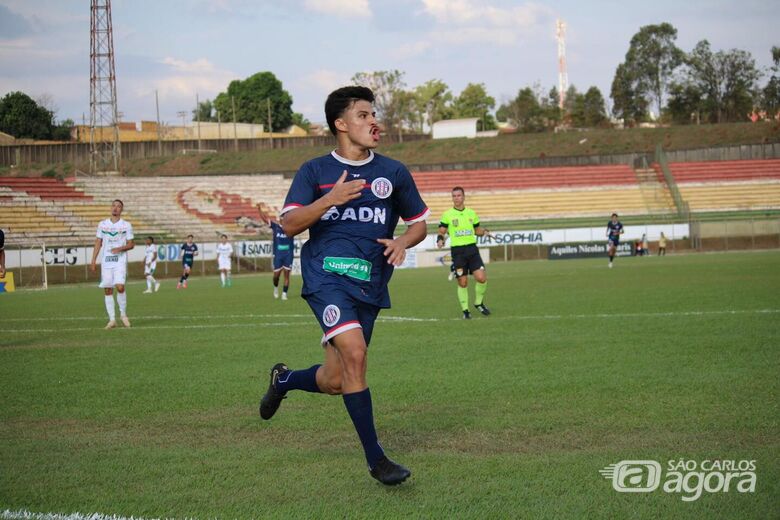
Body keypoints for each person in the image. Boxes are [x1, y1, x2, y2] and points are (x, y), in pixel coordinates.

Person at [259, 86, 429, 486]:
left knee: (337, 380)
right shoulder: (315, 172)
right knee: (355, 353)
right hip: (326, 276)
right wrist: (330, 199)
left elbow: (418, 222)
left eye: (374, 115)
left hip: (369, 284)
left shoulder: (393, 172)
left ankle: (284, 380)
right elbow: (289, 224)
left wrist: (403, 241)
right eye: (364, 115)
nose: (375, 122)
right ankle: (377, 461)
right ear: (341, 124)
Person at [437, 187, 491, 319]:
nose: (456, 198)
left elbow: (476, 230)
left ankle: (478, 303)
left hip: (472, 250)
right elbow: (442, 231)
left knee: (481, 278)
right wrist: (440, 240)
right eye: (454, 196)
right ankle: (466, 311)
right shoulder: (448, 214)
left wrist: (484, 232)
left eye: (459, 195)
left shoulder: (471, 213)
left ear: (464, 197)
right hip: (458, 252)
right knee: (463, 282)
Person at [90, 200, 135, 329]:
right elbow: (98, 242)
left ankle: (123, 314)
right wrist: (93, 260)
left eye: (119, 206)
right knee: (108, 289)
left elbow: (132, 244)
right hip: (106, 261)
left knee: (120, 287)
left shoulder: (126, 225)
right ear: (111, 208)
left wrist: (120, 249)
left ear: (122, 210)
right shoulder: (103, 224)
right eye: (114, 206)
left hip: (119, 260)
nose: (115, 208)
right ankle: (112, 320)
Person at [258, 205, 294, 300]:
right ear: (280, 218)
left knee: (287, 275)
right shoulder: (275, 227)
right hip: (278, 255)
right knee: (276, 277)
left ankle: (284, 294)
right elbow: (265, 219)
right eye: (282, 217)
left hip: (288, 254)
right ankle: (276, 287)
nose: (283, 218)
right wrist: (259, 209)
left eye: (284, 216)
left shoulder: (292, 228)